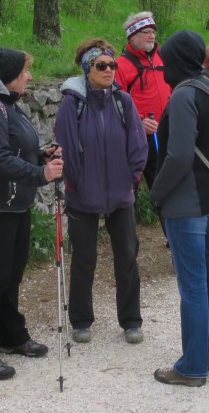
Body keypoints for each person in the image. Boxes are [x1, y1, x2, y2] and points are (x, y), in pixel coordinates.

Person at [0, 48, 64, 380]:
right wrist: (40, 173)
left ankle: (10, 334)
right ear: (8, 77)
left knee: (10, 276)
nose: (29, 77)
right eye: (24, 72)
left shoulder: (7, 104)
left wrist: (41, 155)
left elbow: (16, 149)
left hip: (13, 204)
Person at [150, 30, 209, 387]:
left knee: (194, 284)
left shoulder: (184, 94)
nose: (162, 66)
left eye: (165, 60)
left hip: (187, 202)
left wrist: (157, 192)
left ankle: (193, 367)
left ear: (176, 60)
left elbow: (180, 155)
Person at [54, 39, 149, 346]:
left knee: (127, 257)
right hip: (83, 195)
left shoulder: (123, 101)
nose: (109, 70)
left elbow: (137, 143)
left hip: (121, 195)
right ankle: (81, 321)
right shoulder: (72, 104)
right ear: (87, 69)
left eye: (112, 65)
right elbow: (66, 148)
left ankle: (131, 321)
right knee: (84, 259)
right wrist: (77, 183)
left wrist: (132, 177)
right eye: (101, 66)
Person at [115, 12, 171, 193]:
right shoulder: (120, 66)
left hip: (163, 132)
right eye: (146, 32)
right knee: (130, 190)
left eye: (153, 32)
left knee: (164, 189)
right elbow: (116, 103)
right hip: (135, 136)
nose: (152, 36)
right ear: (132, 36)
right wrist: (139, 121)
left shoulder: (163, 58)